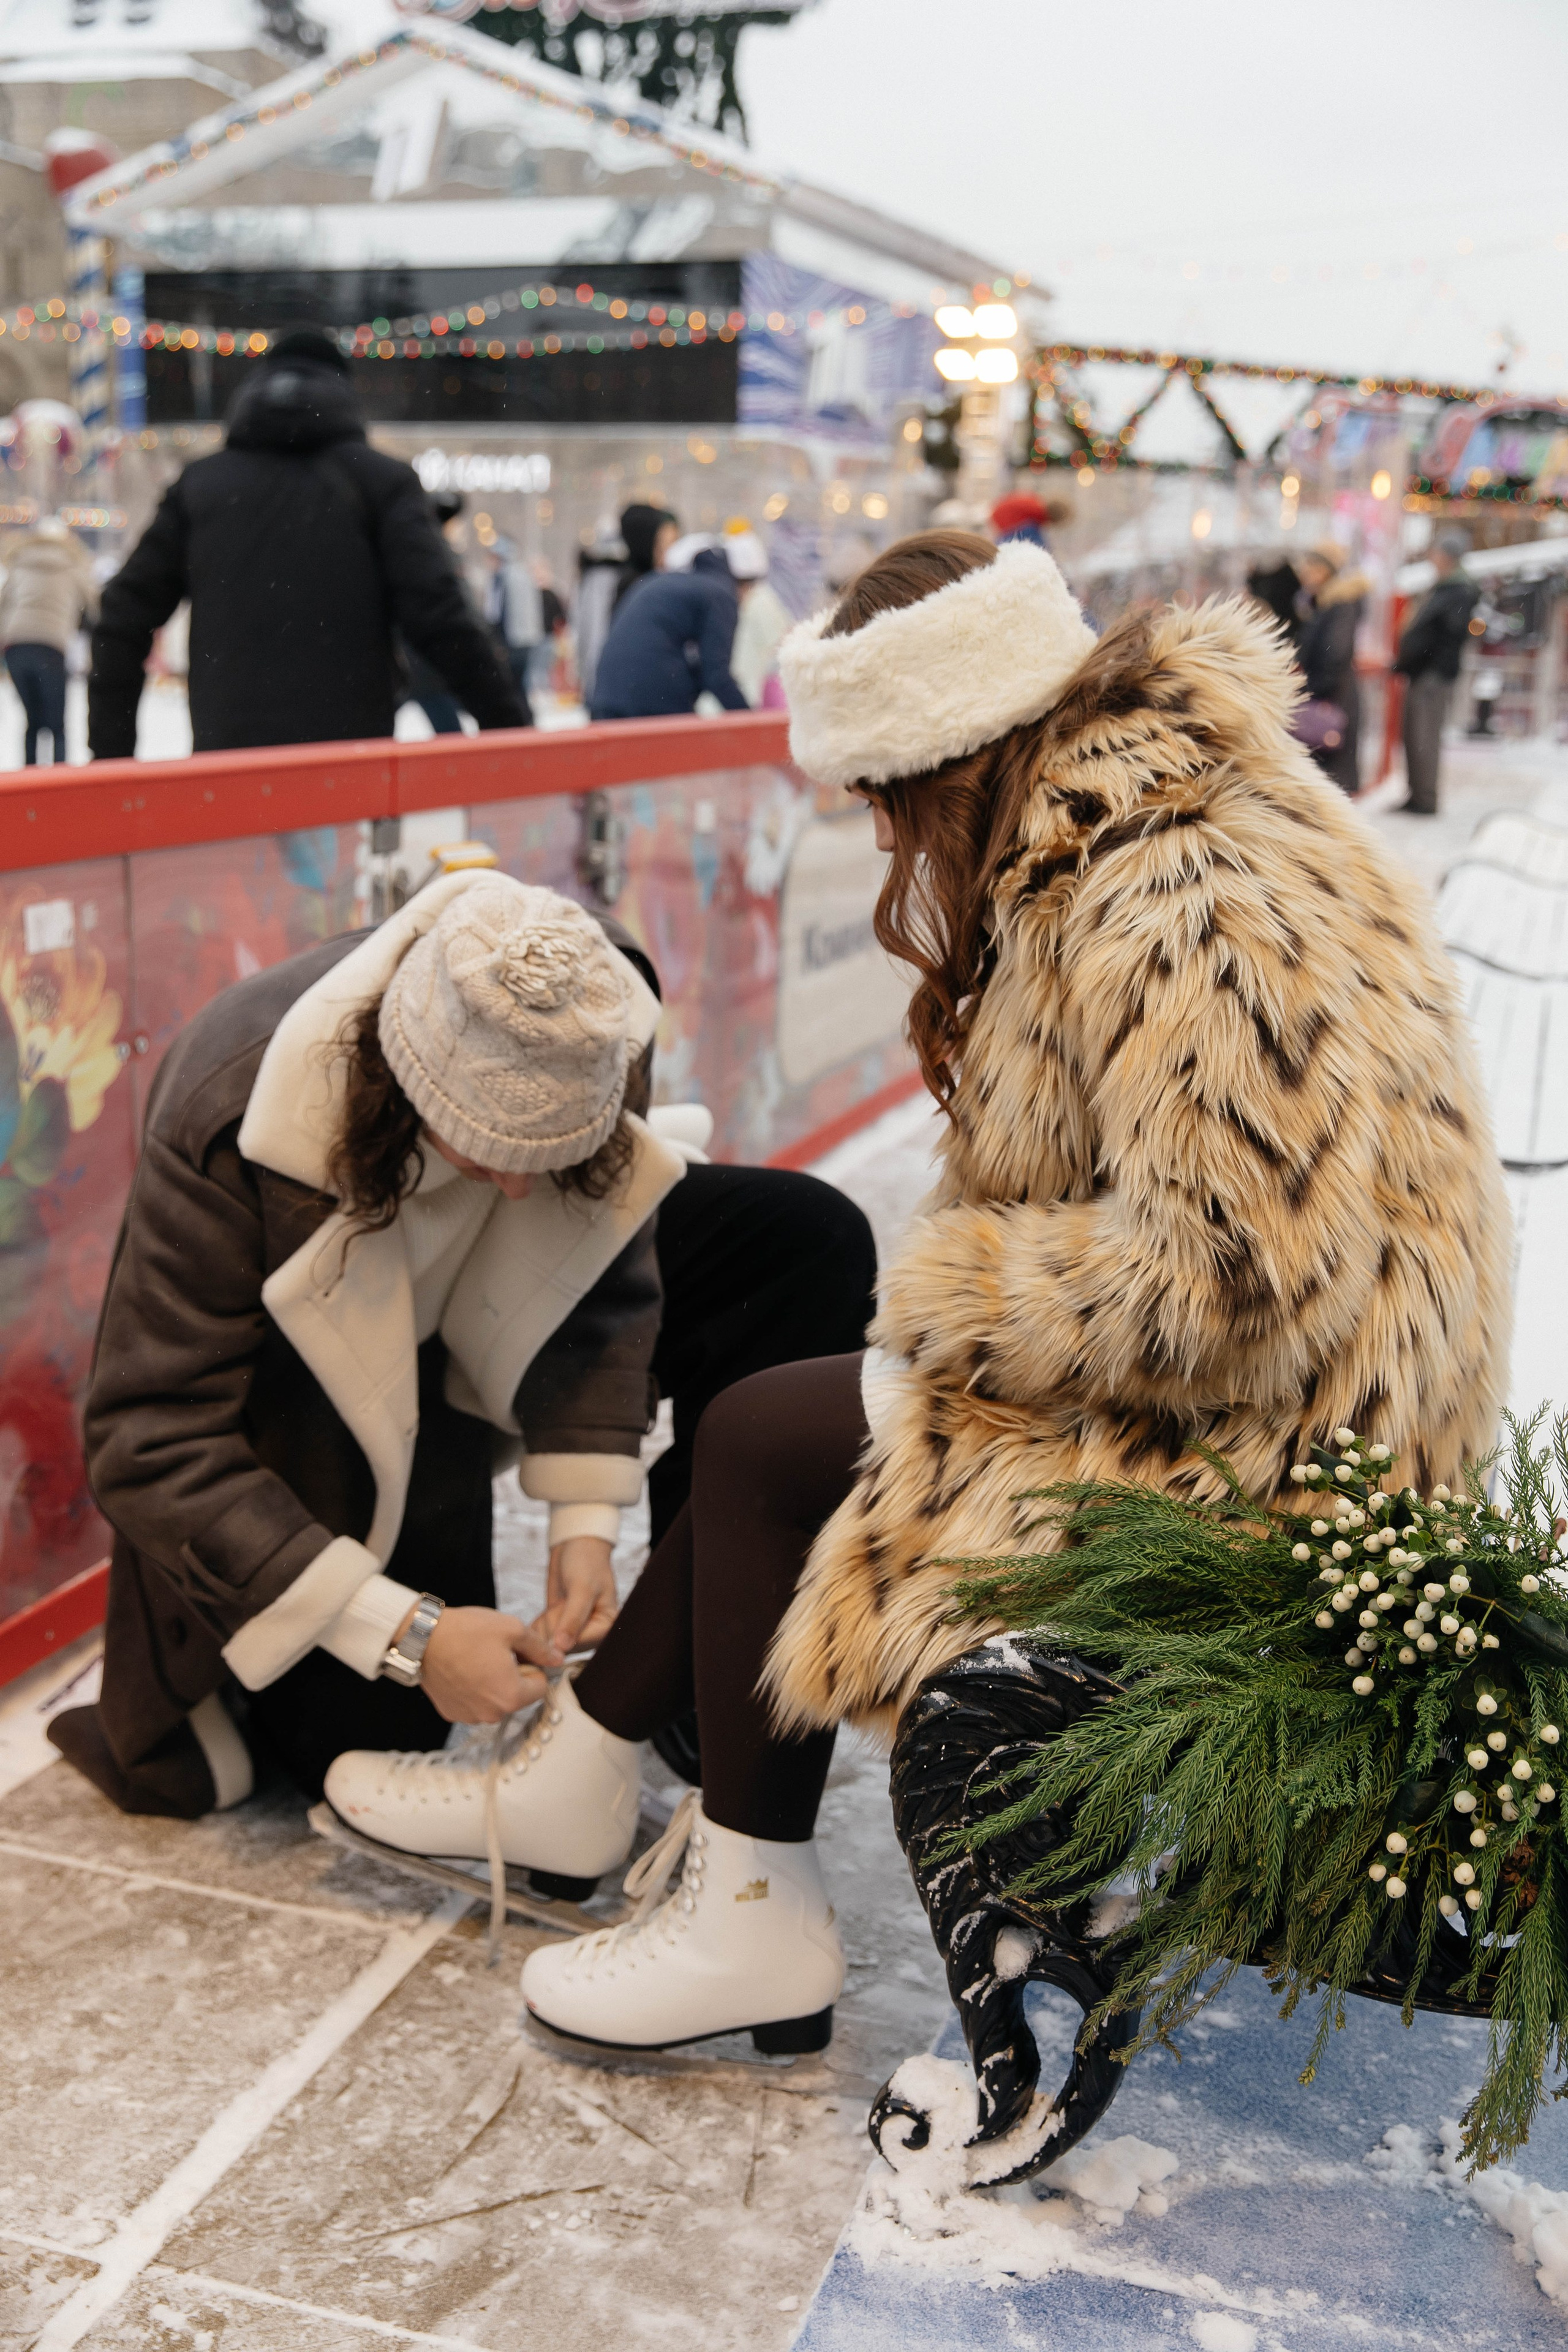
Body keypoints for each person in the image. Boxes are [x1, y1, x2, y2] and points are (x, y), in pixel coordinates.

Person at [326, 532, 1510, 2059]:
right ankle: (591, 1776)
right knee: (785, 1416)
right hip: (1271, 1385)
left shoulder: (1175, 880)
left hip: (1297, 1444)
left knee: (770, 1432)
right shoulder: (1118, 835)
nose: (891, 851)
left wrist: (947, 1295)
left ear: (948, 753)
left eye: (890, 808)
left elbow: (1231, 1268)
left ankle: (742, 1908)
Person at [49, 869, 875, 1822]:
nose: (519, 1190)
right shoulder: (231, 1114)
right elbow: (145, 1434)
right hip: (310, 1391)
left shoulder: (595, 1009)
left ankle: (699, 1671)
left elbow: (597, 1253)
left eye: (551, 1152)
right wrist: (407, 1635)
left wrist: (584, 1521)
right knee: (364, 1737)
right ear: (405, 1081)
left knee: (802, 1241)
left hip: (473, 1314)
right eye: (486, 1151)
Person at [88, 328, 526, 757]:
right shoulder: (383, 482)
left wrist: (111, 757)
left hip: (230, 769)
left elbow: (124, 613)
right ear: (343, 391)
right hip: (345, 769)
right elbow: (441, 616)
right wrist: (515, 738)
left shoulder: (201, 486)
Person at [589, 535, 747, 721]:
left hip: (605, 697)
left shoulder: (666, 583)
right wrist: (754, 724)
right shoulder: (721, 594)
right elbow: (717, 675)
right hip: (650, 701)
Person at [1395, 527, 1480, 815]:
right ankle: (1416, 793)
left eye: (1437, 552)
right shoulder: (1444, 587)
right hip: (1423, 672)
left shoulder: (1459, 591)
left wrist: (1422, 659)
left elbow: (1447, 635)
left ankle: (1424, 798)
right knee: (1414, 735)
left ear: (1447, 557)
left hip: (1433, 676)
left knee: (1424, 736)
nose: (1432, 557)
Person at [0, 517, 97, 764]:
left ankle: (31, 783)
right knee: (57, 724)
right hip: (51, 647)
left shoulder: (19, 564)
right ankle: (59, 783)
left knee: (32, 721)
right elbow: (94, 607)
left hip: (17, 646)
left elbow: (3, 608)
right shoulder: (73, 566)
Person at [1294, 540, 1370, 793]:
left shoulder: (1340, 605)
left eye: (1310, 568)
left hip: (1333, 699)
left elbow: (1334, 654)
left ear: (1325, 570)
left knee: (1331, 782)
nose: (1304, 574)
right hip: (1332, 695)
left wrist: (1312, 689)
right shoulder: (1324, 603)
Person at [724, 521, 793, 707]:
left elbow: (781, 644)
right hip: (745, 697)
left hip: (745, 695)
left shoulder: (760, 600)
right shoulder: (763, 599)